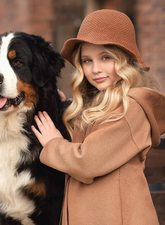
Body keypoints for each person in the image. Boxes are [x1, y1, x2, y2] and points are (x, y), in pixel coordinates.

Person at [31, 9, 165, 225]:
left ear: (125, 59)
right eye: (87, 60)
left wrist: (53, 144)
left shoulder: (131, 108)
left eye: (105, 57)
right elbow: (95, 140)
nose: (95, 69)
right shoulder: (100, 105)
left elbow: (88, 162)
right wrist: (61, 107)